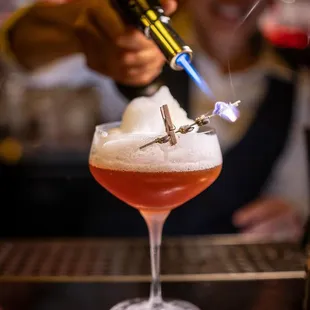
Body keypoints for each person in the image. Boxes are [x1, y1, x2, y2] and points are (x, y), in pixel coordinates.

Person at [0, 0, 309, 241]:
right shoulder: (140, 46)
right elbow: (23, 54)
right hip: (115, 269)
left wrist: (290, 213)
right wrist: (80, 22)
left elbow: (293, 193)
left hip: (222, 276)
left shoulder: (298, 86)